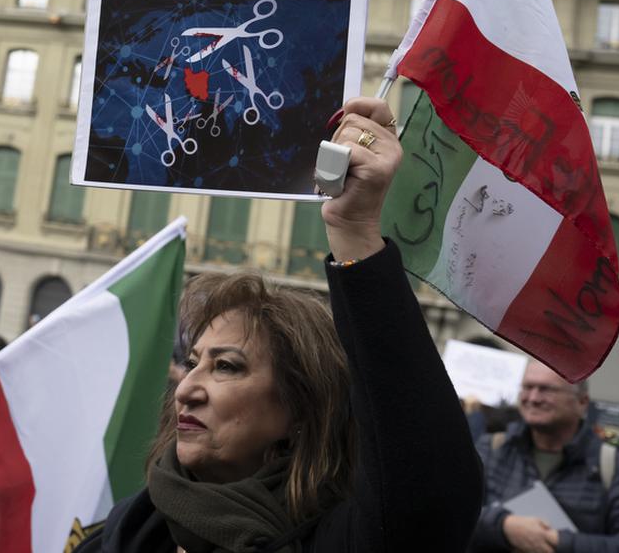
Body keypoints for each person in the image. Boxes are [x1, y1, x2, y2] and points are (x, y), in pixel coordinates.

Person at [74, 97, 484, 553]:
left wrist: (355, 231)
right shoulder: (122, 535)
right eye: (192, 362)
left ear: (301, 412)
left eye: (226, 366)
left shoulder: (339, 541)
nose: (186, 387)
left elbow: (429, 492)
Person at [471, 360, 619, 552]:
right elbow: (451, 513)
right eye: (527, 387)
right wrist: (504, 526)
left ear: (582, 402)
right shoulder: (492, 448)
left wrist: (556, 541)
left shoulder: (614, 467)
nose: (534, 398)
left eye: (546, 389)